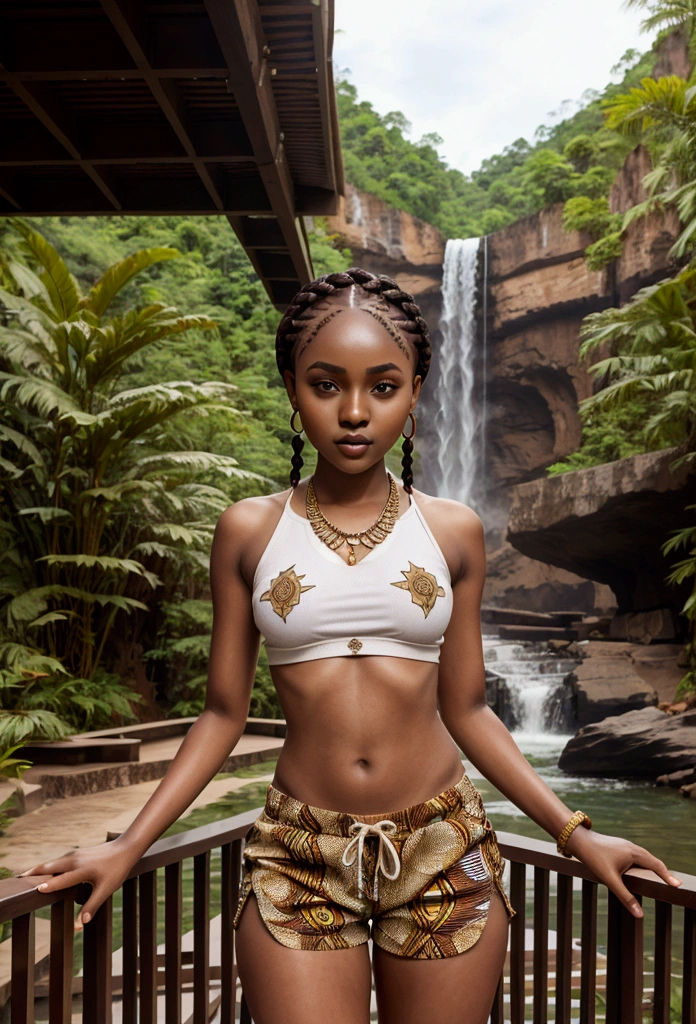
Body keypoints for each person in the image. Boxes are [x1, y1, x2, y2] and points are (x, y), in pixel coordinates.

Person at [20, 268, 681, 1024]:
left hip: (443, 844)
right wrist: (127, 846)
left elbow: (469, 711)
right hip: (299, 854)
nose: (356, 412)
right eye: (327, 385)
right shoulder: (249, 530)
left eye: (384, 386)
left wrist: (575, 835)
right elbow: (221, 716)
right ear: (294, 392)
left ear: (418, 390)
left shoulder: (454, 530)